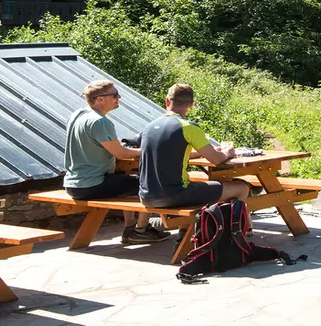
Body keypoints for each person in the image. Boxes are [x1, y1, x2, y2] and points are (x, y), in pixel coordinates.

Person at [64, 80, 168, 244]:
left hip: (73, 184)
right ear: (100, 99)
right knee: (149, 184)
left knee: (125, 177)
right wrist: (150, 150)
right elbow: (122, 154)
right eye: (114, 95)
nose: (118, 97)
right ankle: (141, 230)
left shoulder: (78, 115)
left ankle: (130, 226)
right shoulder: (100, 121)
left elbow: (98, 143)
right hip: (92, 184)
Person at [138, 83, 251, 212]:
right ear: (191, 104)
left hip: (145, 196)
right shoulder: (188, 127)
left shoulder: (149, 127)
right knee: (241, 188)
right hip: (174, 194)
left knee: (200, 187)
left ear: (167, 101)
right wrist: (227, 153)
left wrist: (201, 153)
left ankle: (187, 228)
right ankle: (238, 229)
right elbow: (216, 160)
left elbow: (172, 154)